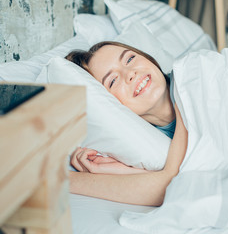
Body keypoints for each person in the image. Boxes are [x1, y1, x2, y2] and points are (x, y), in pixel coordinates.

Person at [65, 41, 188, 206]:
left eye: (129, 59)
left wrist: (65, 179)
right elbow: (181, 181)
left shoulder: (189, 77)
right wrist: (122, 170)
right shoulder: (154, 144)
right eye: (113, 81)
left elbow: (169, 184)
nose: (130, 73)